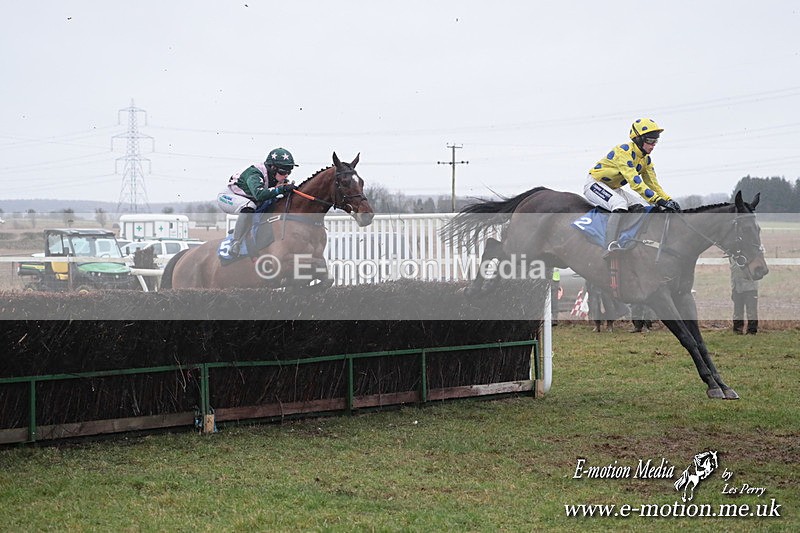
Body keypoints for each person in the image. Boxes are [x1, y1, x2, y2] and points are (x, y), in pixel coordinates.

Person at [584, 118, 682, 257]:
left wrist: (668, 200)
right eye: (650, 140)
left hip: (614, 188)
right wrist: (658, 200)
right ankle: (610, 245)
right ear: (638, 139)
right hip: (595, 184)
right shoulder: (623, 152)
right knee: (620, 204)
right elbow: (635, 183)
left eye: (655, 141)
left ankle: (629, 240)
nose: (653, 145)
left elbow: (654, 186)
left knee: (644, 206)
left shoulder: (646, 160)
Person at [216, 147, 298, 257]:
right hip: (228, 197)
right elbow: (259, 195)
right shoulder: (255, 174)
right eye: (283, 171)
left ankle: (245, 229)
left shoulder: (274, 177)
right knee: (249, 206)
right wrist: (280, 189)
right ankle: (236, 242)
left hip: (247, 197)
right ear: (272, 168)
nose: (286, 175)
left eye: (289, 171)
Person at [730, 257, 759, 334]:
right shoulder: (733, 256)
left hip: (750, 287)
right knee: (737, 310)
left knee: (751, 310)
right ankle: (737, 330)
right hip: (736, 287)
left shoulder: (750, 254)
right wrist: (733, 287)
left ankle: (752, 331)